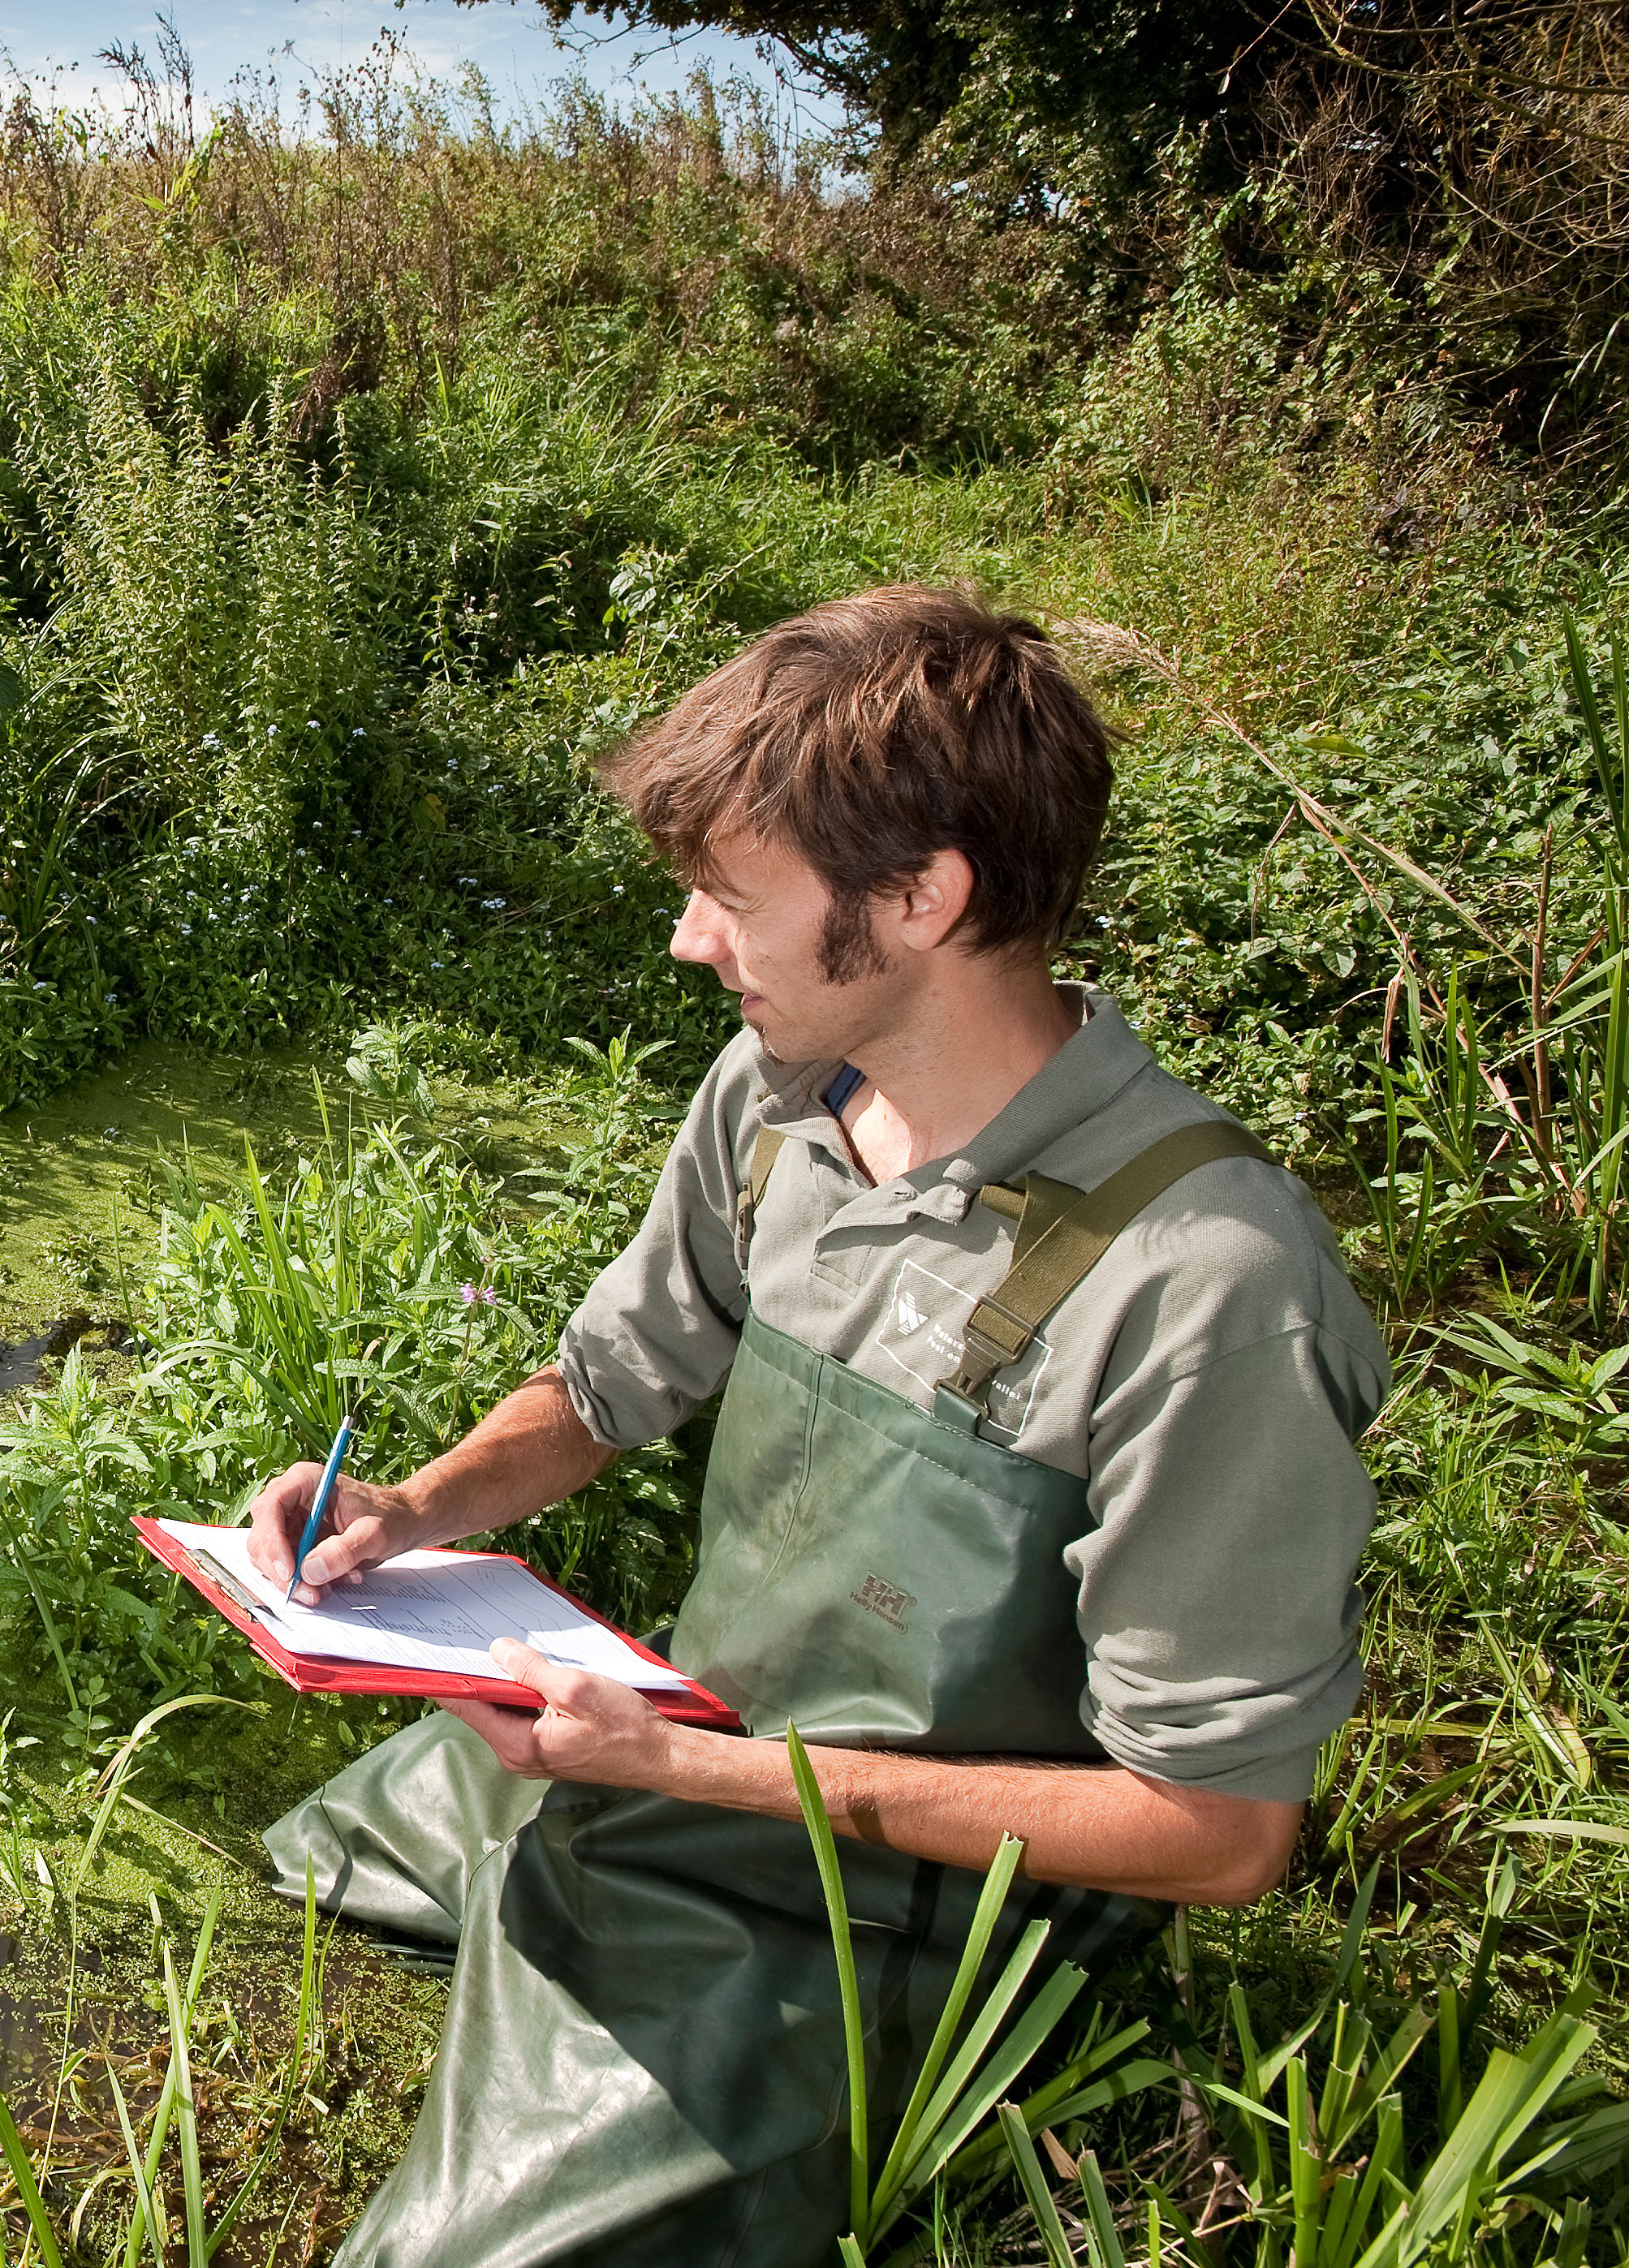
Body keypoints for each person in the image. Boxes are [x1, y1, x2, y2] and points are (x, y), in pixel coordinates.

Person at [250, 587, 1386, 2266]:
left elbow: (1217, 1832)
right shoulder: (780, 1096)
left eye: (728, 894)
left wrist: (699, 1769)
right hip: (690, 1748)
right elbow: (600, 1385)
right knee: (318, 1847)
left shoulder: (1206, 1280)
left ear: (921, 897)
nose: (687, 940)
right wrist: (417, 1504)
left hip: (917, 1911)